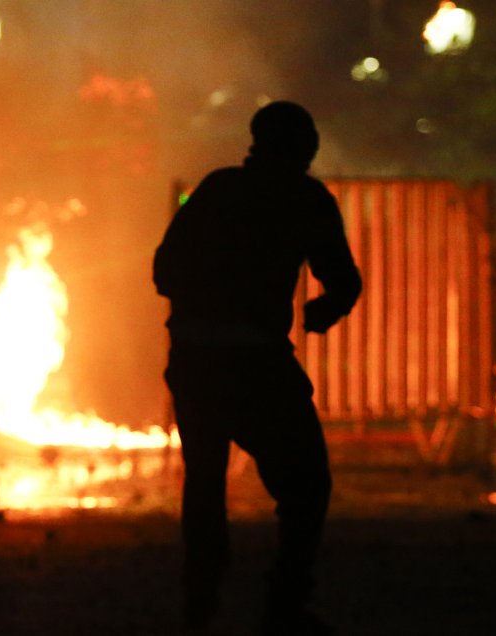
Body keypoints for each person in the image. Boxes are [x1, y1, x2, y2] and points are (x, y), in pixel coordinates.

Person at [153, 101, 361, 635]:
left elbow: (164, 270)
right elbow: (343, 280)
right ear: (302, 147)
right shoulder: (305, 199)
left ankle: (200, 602)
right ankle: (284, 604)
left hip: (196, 359)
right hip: (256, 363)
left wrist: (207, 299)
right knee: (307, 483)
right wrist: (321, 311)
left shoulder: (219, 189)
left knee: (204, 483)